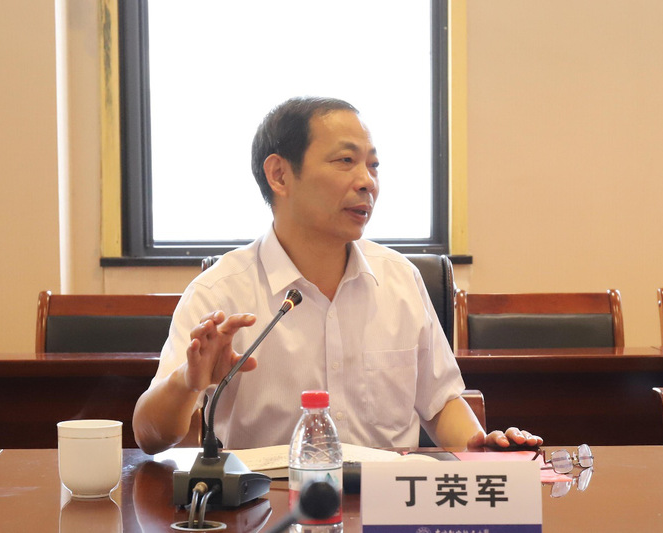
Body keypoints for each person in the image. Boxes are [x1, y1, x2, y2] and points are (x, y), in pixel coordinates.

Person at [133, 96, 542, 455]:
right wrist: (188, 382)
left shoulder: (399, 279)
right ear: (279, 175)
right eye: (346, 161)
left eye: (373, 165)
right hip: (267, 507)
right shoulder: (219, 293)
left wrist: (479, 447)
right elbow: (149, 435)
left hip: (386, 504)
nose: (367, 182)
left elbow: (441, 404)